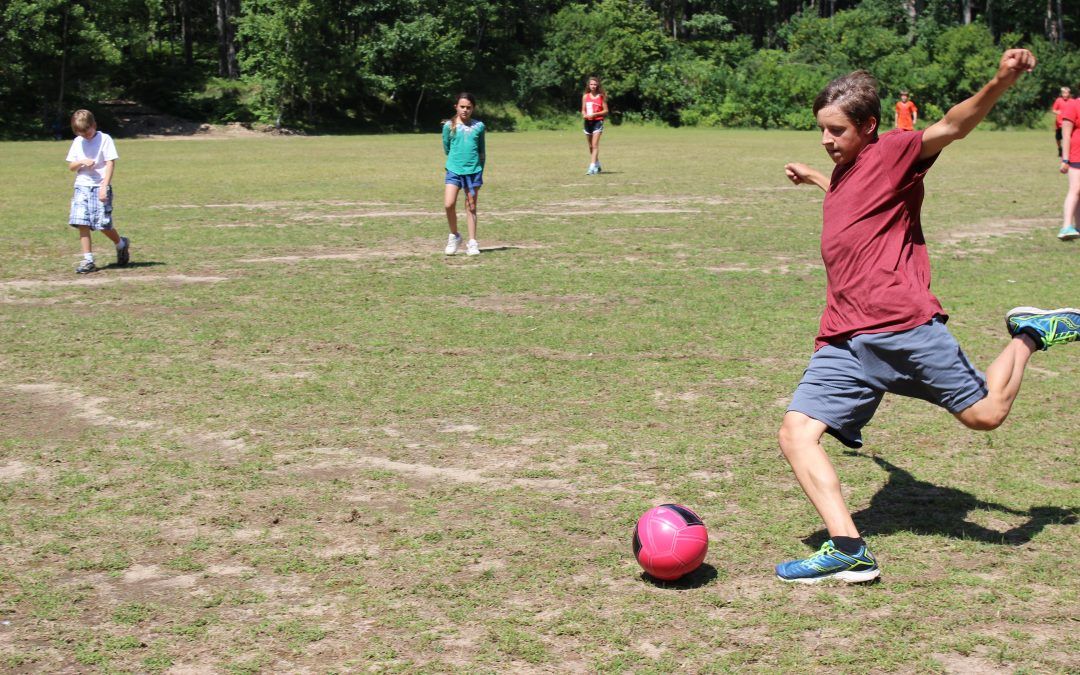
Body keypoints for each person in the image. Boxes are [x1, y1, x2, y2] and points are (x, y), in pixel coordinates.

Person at [776, 49, 1080, 584]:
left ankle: (1033, 333)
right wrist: (819, 180)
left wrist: (1001, 80)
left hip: (899, 324)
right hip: (843, 336)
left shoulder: (895, 151)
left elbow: (953, 124)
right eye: (821, 131)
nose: (826, 141)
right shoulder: (845, 171)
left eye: (836, 131)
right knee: (796, 433)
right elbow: (856, 205)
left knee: (984, 416)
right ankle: (848, 548)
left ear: (869, 126)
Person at [66, 109, 130, 274]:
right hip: (81, 186)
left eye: (87, 131)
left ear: (94, 125)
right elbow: (71, 167)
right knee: (82, 222)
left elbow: (110, 163)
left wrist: (104, 186)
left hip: (100, 186)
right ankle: (88, 260)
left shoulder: (105, 139)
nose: (85, 135)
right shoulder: (77, 142)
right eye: (80, 133)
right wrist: (81, 161)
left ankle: (121, 244)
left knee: (102, 224)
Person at [442, 93, 486, 257]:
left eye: (468, 107)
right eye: (462, 107)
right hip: (454, 170)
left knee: (471, 207)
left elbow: (482, 151)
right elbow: (447, 148)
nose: (465, 110)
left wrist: (480, 171)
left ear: (473, 108)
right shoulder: (449, 126)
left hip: (474, 171)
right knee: (449, 204)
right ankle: (455, 236)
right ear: (456, 107)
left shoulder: (479, 126)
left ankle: (472, 242)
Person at [1059, 89, 1080, 240]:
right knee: (1076, 189)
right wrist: (1065, 159)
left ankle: (1078, 227)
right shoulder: (1073, 105)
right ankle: (1066, 227)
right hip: (1076, 154)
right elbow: (1066, 134)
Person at [581, 76, 608, 175]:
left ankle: (591, 168)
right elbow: (583, 109)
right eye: (591, 84)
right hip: (588, 122)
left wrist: (595, 114)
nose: (593, 86)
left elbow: (606, 111)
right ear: (589, 85)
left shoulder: (601, 96)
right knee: (590, 146)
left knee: (595, 145)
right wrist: (584, 114)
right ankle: (597, 164)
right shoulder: (585, 96)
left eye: (595, 84)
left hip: (598, 121)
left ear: (598, 85)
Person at [1052, 86, 1072, 159]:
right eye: (1063, 93)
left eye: (1066, 93)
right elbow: (1053, 110)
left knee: (1067, 138)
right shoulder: (1058, 100)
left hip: (1068, 124)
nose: (1065, 94)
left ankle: (1067, 152)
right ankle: (1060, 148)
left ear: (1069, 94)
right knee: (1058, 139)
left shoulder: (1072, 101)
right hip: (1059, 124)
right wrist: (1057, 112)